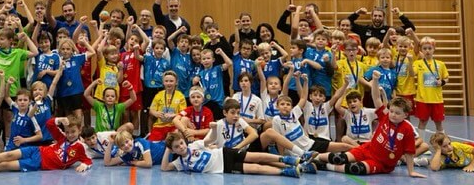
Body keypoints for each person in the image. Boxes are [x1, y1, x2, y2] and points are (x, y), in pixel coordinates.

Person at [313, 76, 424, 178]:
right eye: (391, 111)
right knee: (339, 158)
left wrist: (411, 171)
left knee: (357, 168)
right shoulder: (385, 117)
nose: (393, 115)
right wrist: (375, 80)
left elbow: (409, 152)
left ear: (406, 115)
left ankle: (325, 166)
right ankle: (313, 157)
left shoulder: (407, 129)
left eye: (397, 113)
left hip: (381, 163)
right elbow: (376, 98)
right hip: (367, 149)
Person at [0, 116, 92, 175]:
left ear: (79, 130)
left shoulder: (80, 147)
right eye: (68, 132)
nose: (70, 135)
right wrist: (59, 119)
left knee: (5, 165)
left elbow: (88, 160)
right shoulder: (62, 138)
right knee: (8, 154)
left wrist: (85, 165)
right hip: (37, 150)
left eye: (73, 132)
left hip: (39, 163)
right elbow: (49, 124)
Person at [161, 131, 302, 177]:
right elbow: (164, 168)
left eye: (181, 143)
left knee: (256, 156)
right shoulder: (179, 163)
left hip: (224, 153)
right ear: (173, 150)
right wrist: (168, 149)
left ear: (184, 141)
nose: (181, 147)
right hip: (224, 167)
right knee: (255, 168)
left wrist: (213, 129)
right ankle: (285, 171)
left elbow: (209, 140)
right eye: (176, 147)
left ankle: (286, 159)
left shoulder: (194, 145)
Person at [348, 6, 416, 48]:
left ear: (383, 18)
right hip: (367, 60)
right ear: (371, 17)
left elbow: (411, 27)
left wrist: (400, 14)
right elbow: (347, 23)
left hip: (385, 60)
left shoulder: (390, 30)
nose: (377, 18)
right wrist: (357, 13)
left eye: (380, 16)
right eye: (375, 16)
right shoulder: (364, 29)